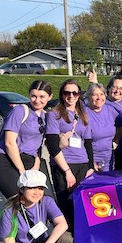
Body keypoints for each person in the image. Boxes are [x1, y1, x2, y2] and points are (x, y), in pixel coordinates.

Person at [0, 80, 53, 199]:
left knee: (46, 201)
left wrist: (37, 164)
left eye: (42, 97)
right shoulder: (19, 111)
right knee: (21, 200)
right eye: (33, 96)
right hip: (7, 159)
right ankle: (11, 217)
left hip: (30, 160)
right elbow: (9, 143)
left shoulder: (45, 116)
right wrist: (22, 171)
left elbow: (38, 144)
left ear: (50, 97)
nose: (37, 100)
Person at [45, 79, 94, 231]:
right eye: (67, 92)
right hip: (64, 165)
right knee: (66, 206)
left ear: (79, 95)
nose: (71, 96)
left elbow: (87, 142)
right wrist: (67, 172)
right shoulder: (54, 114)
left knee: (81, 207)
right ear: (62, 95)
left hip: (82, 163)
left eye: (74, 93)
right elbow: (53, 146)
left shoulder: (83, 114)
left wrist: (90, 167)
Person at [85, 83, 122, 172]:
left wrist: (116, 140)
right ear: (88, 97)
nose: (99, 98)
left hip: (108, 158)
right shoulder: (84, 113)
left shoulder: (110, 110)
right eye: (95, 95)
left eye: (102, 94)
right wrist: (91, 162)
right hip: (90, 159)